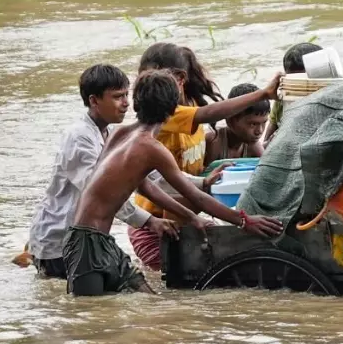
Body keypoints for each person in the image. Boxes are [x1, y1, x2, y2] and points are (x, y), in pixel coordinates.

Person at [64, 71, 284, 296]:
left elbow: (145, 186)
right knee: (87, 313)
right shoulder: (152, 148)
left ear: (136, 103)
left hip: (99, 240)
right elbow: (196, 197)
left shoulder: (120, 133)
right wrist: (244, 221)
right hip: (86, 243)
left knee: (150, 302)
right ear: (173, 110)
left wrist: (192, 217)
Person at [126, 43, 282, 270]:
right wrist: (263, 93)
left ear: (181, 79)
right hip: (156, 223)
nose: (147, 86)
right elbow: (208, 113)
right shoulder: (165, 113)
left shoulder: (190, 103)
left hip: (184, 209)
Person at [26, 64, 179, 279]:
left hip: (85, 241)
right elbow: (105, 194)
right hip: (58, 241)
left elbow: (154, 177)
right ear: (94, 100)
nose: (126, 103)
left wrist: (204, 183)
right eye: (117, 97)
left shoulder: (112, 134)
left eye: (126, 95)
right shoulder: (79, 138)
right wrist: (149, 221)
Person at [262, 41, 322, 146]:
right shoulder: (283, 99)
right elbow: (266, 144)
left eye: (306, 82)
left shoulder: (330, 99)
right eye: (295, 82)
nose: (301, 88)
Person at [204, 83, 268, 164]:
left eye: (264, 123)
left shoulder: (253, 144)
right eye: (253, 124)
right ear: (230, 121)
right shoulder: (214, 142)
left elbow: (266, 166)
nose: (259, 131)